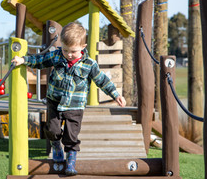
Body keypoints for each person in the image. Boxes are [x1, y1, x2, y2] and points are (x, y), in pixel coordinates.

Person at [11, 22, 126, 176]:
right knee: (52, 129)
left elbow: (102, 80)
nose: (69, 54)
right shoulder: (57, 56)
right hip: (55, 102)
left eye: (73, 51)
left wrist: (116, 94)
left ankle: (71, 157)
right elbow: (40, 60)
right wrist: (24, 60)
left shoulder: (89, 65)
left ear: (83, 46)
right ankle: (56, 145)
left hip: (75, 106)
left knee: (71, 135)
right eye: (65, 50)